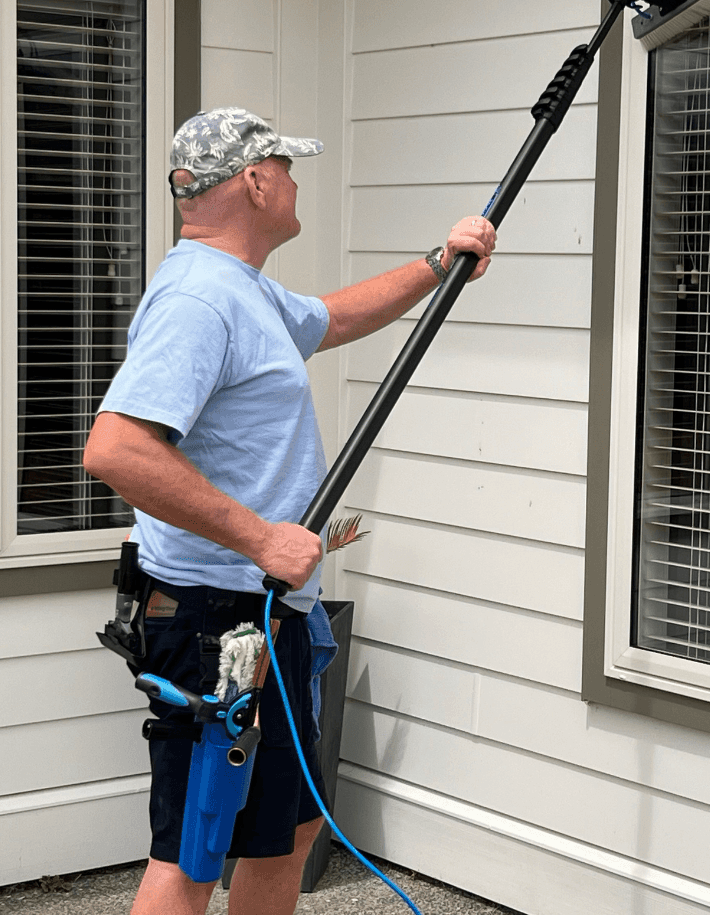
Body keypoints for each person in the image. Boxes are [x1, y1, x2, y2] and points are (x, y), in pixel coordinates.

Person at [82, 107, 495, 915]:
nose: (296, 180)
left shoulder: (244, 291)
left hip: (265, 614)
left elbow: (332, 318)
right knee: (196, 849)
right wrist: (261, 535)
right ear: (256, 180)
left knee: (287, 831)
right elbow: (116, 449)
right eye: (288, 167)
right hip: (217, 621)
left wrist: (436, 265)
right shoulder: (198, 300)